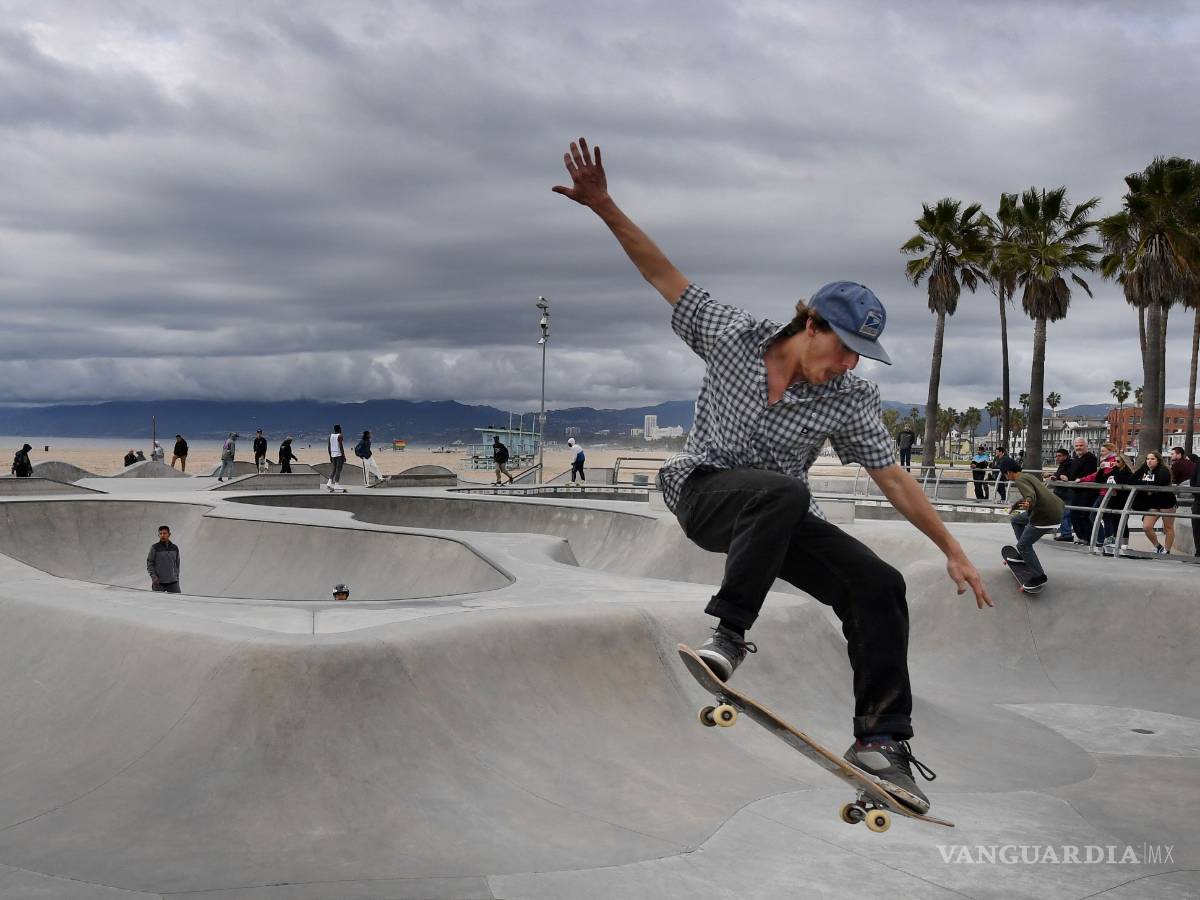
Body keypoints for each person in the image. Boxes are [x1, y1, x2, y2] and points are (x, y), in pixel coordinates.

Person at [552, 135, 991, 815]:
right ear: (810, 323)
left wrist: (952, 549)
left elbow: (892, 477)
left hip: (777, 517)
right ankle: (727, 636)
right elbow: (661, 273)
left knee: (879, 584)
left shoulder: (849, 398)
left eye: (859, 358)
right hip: (704, 492)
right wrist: (605, 206)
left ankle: (882, 740)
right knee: (781, 489)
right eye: (845, 350)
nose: (849, 367)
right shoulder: (730, 334)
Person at [1001, 459, 1064, 588]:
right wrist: (1014, 507)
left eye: (1004, 474)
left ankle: (1039, 576)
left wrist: (1029, 502)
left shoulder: (1019, 480)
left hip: (1045, 515)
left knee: (1023, 545)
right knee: (1016, 520)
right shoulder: (1027, 476)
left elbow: (1030, 495)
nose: (1005, 477)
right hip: (1055, 508)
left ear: (1008, 472)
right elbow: (1031, 494)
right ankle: (1023, 555)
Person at [1076, 443, 1119, 545]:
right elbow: (1097, 475)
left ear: (1110, 451)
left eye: (1103, 451)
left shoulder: (1112, 462)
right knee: (1106, 516)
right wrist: (1083, 479)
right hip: (1106, 491)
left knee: (1094, 515)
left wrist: (1082, 479)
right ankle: (1108, 539)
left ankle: (1101, 538)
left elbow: (1101, 475)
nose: (1101, 453)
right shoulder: (1107, 461)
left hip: (1106, 492)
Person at [1132, 451, 1175, 555]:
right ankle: (1158, 546)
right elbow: (1131, 480)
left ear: (1158, 460)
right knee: (1146, 527)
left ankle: (1167, 550)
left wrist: (1144, 483)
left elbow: (1159, 482)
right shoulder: (1144, 469)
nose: (1149, 461)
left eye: (1152, 459)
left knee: (1168, 527)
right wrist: (1144, 482)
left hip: (1166, 501)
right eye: (1147, 459)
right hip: (1152, 502)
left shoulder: (1163, 470)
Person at [1064, 437, 1098, 543]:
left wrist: (1072, 479)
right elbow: (1071, 473)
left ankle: (1088, 538)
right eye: (1077, 446)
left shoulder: (1091, 458)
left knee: (1084, 515)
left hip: (1087, 492)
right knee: (1074, 514)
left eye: (1081, 445)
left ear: (1086, 446)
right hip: (1076, 491)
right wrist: (1065, 477)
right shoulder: (1075, 459)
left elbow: (1085, 473)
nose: (1079, 448)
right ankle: (1081, 536)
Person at [1046, 448, 1075, 541]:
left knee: (1063, 513)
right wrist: (1053, 475)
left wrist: (1057, 477)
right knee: (1065, 513)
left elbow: (1066, 476)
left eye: (1059, 456)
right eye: (1056, 456)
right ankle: (1066, 532)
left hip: (1066, 492)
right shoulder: (1063, 464)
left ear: (1065, 456)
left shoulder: (1068, 464)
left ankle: (1066, 534)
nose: (1057, 458)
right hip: (1062, 492)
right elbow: (1060, 474)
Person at [146, 525, 181, 593]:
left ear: (169, 534)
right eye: (160, 533)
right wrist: (154, 577)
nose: (162, 535)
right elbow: (149, 563)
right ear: (158, 535)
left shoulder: (175, 548)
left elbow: (177, 564)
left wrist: (176, 577)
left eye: (164, 533)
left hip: (173, 582)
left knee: (178, 601)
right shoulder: (154, 548)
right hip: (158, 583)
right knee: (158, 603)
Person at [327, 425, 346, 490]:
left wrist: (330, 456)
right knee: (338, 469)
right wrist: (344, 456)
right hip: (339, 454)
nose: (341, 429)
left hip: (333, 454)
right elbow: (341, 446)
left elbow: (329, 447)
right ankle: (336, 484)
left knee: (334, 469)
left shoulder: (330, 436)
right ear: (339, 429)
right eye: (340, 428)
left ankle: (329, 482)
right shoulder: (340, 436)